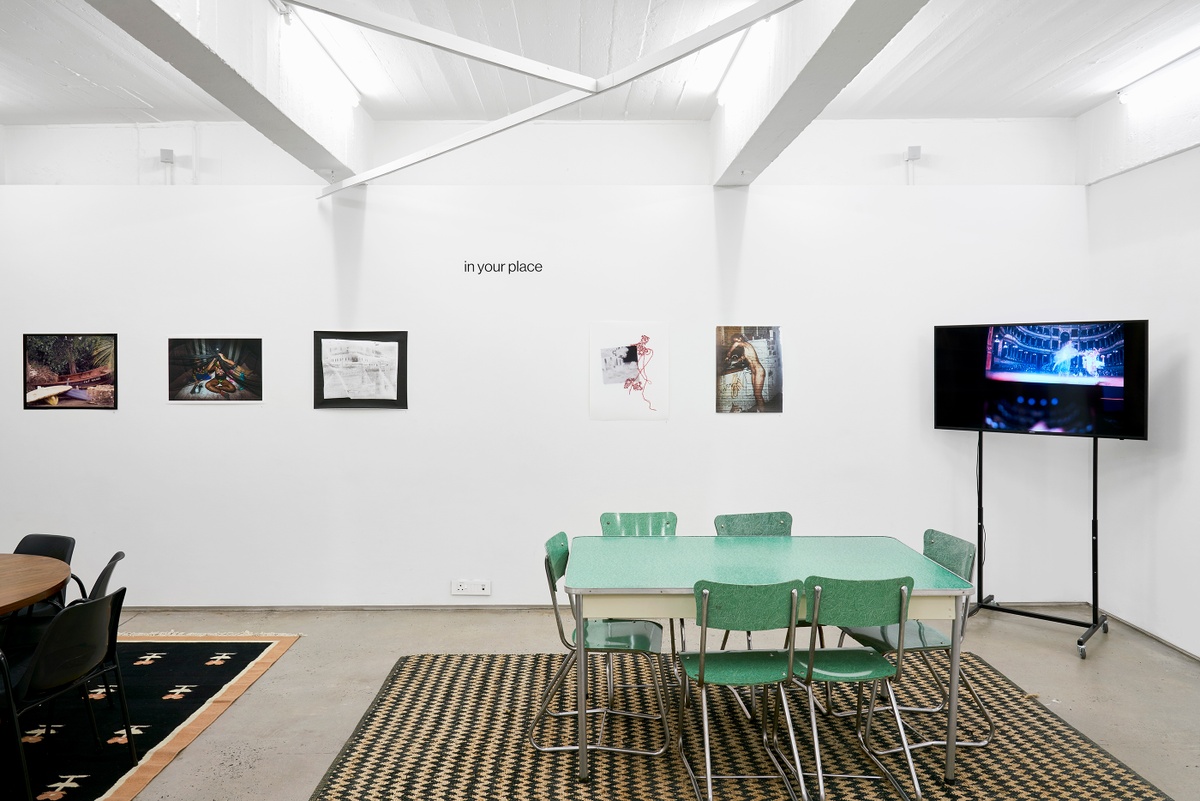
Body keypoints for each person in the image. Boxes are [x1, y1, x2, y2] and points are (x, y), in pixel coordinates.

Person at [725, 335, 766, 412]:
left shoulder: (747, 344)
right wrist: (734, 361)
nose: (735, 343)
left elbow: (735, 345)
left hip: (759, 371)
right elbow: (742, 358)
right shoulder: (745, 349)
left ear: (740, 339)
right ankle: (759, 410)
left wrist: (729, 353)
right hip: (754, 372)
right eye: (734, 341)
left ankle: (763, 413)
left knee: (758, 395)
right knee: (756, 394)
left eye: (736, 340)